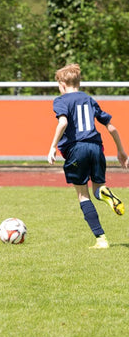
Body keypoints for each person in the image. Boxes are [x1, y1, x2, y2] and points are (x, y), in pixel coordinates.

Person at [47, 63, 129, 249]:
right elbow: (112, 127)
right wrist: (121, 151)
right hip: (96, 148)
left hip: (77, 149)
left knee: (83, 195)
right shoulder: (89, 100)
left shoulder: (61, 100)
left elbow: (63, 122)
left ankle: (101, 239)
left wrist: (52, 146)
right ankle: (105, 193)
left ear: (62, 83)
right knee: (98, 188)